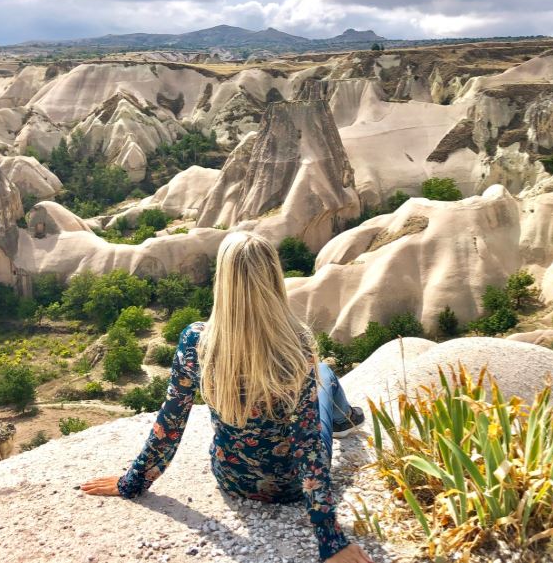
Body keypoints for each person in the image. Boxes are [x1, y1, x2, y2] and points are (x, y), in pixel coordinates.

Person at [81, 231, 371, 563]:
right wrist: (330, 542)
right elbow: (307, 446)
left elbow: (170, 423)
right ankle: (345, 420)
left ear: (223, 282)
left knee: (320, 376)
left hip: (233, 479)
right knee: (325, 374)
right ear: (275, 279)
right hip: (290, 486)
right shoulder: (297, 346)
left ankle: (343, 418)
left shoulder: (197, 342)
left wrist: (131, 483)